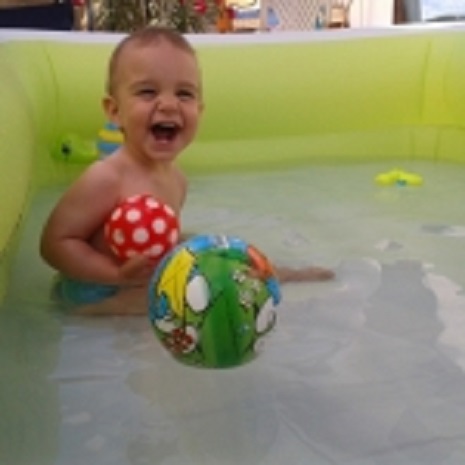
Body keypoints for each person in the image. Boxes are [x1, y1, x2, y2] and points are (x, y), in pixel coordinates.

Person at [40, 26, 333, 316]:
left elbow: (164, 243)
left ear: (200, 112)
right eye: (147, 92)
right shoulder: (107, 177)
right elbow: (54, 244)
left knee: (223, 261)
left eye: (184, 94)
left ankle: (272, 271)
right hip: (94, 292)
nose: (169, 104)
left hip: (140, 281)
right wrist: (115, 275)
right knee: (175, 300)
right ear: (115, 111)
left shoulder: (177, 180)